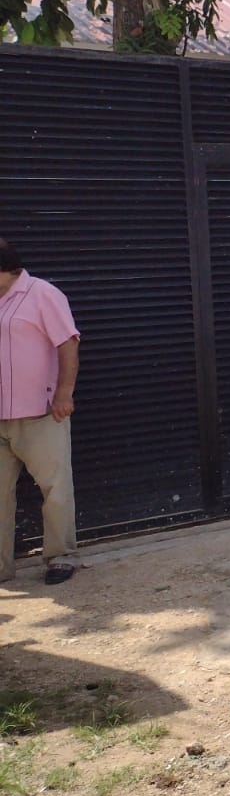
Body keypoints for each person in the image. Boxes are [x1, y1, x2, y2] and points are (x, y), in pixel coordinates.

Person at [0, 239, 81, 585]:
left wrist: (64, 392)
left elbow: (68, 342)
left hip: (40, 411)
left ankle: (61, 556)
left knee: (55, 487)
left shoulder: (42, 294)